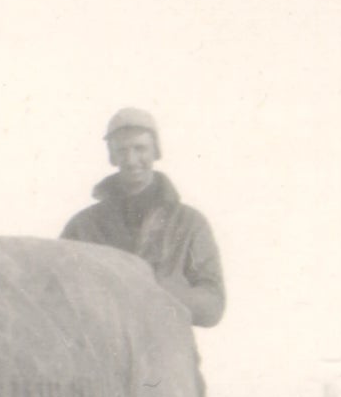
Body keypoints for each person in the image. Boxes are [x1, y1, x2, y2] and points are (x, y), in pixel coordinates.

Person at [62, 108, 225, 329]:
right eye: (122, 150)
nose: (131, 160)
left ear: (156, 151)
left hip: (165, 354)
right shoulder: (82, 227)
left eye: (140, 149)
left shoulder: (189, 223)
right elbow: (59, 293)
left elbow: (213, 306)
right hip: (103, 354)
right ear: (112, 156)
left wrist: (154, 290)